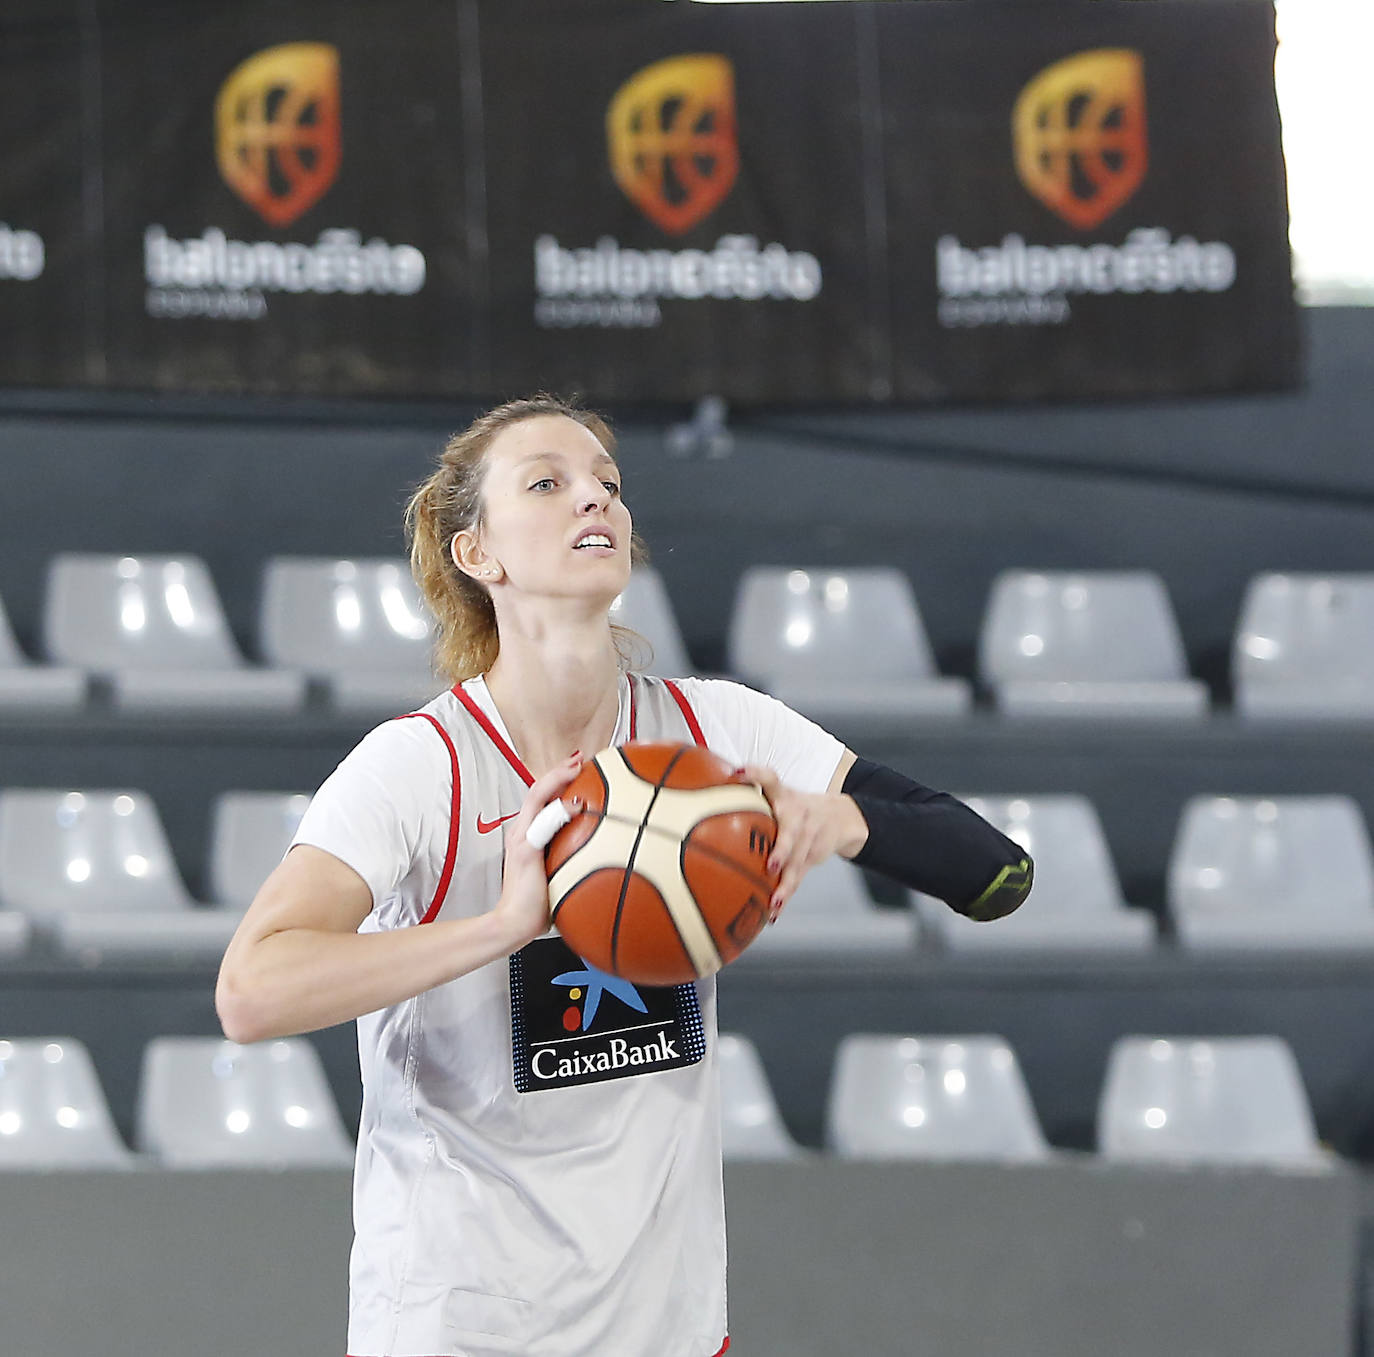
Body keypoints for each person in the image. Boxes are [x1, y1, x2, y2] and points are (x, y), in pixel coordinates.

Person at [215, 394, 1032, 1357]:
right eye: (548, 484)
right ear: (479, 553)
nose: (593, 500)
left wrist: (842, 819)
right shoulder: (420, 766)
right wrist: (503, 924)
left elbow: (997, 873)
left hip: (668, 1327)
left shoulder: (717, 730)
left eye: (608, 482)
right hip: (459, 1326)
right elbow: (251, 993)